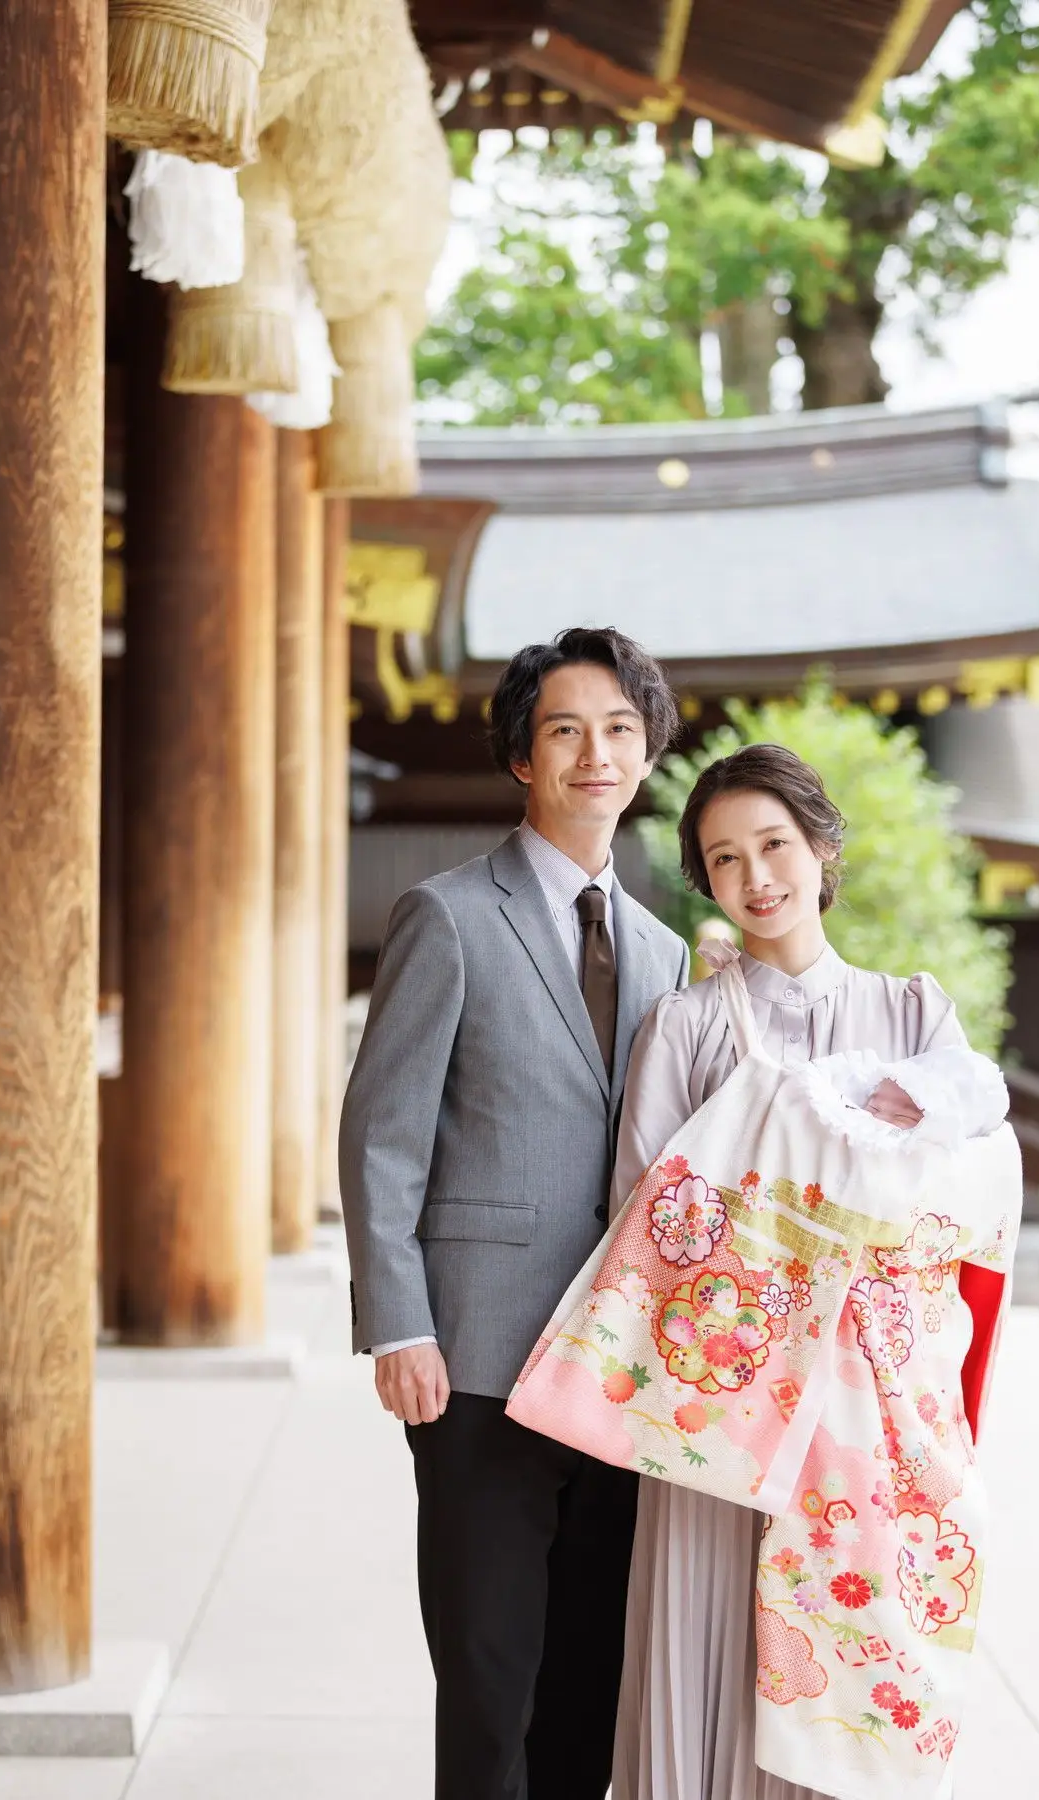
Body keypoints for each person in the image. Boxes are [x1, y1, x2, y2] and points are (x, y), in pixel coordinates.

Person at [608, 742, 1010, 1800]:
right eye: (725, 859)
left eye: (775, 845)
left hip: (866, 1407)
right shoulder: (685, 1026)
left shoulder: (912, 1014)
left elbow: (972, 1183)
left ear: (822, 848)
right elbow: (642, 1214)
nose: (757, 877)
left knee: (849, 1639)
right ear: (706, 879)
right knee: (712, 1626)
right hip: (731, 1393)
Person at [340, 627, 690, 1800]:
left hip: (614, 1368)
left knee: (592, 1677)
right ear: (521, 758)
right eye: (566, 729)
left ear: (646, 757)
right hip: (477, 1359)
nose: (597, 752)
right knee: (493, 1682)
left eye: (621, 730)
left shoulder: (666, 951)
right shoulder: (447, 915)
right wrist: (399, 1326)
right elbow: (383, 1134)